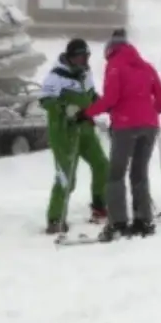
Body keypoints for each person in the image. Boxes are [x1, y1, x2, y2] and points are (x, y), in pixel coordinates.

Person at [76, 29, 161, 241]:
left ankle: (118, 222)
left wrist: (87, 113)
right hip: (149, 126)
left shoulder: (115, 66)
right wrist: (148, 111)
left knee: (116, 174)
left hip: (125, 127)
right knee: (139, 173)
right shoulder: (147, 67)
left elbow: (110, 99)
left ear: (110, 50)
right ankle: (143, 221)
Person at [39, 38, 110, 234]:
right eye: (79, 57)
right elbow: (45, 100)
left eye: (85, 57)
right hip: (64, 132)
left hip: (85, 128)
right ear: (70, 57)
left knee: (102, 165)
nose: (82, 60)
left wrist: (106, 104)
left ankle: (99, 206)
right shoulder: (57, 75)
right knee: (66, 177)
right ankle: (55, 218)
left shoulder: (85, 73)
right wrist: (64, 108)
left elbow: (91, 95)